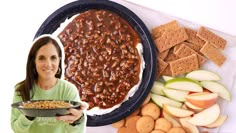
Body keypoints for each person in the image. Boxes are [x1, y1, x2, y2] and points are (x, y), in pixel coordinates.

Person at [11, 34, 88, 133]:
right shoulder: (21, 89)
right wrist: (28, 113)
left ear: (59, 60)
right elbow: (17, 129)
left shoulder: (69, 90)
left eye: (53, 58)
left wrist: (77, 120)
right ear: (33, 62)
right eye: (42, 58)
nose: (48, 64)